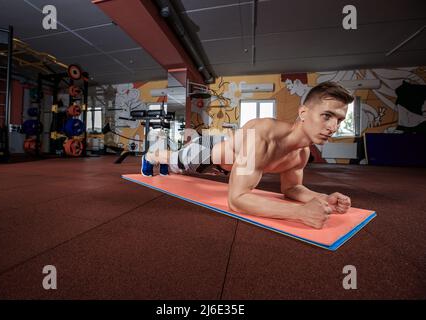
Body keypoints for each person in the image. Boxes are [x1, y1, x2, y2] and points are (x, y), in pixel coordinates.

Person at [141, 81, 353, 229]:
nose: (333, 127)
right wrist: (301, 213)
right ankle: (151, 155)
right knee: (173, 159)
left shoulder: (301, 154)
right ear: (303, 113)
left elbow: (291, 188)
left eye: (340, 120)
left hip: (228, 167)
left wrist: (322, 198)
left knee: (175, 164)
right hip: (206, 155)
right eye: (326, 116)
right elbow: (237, 200)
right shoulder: (263, 134)